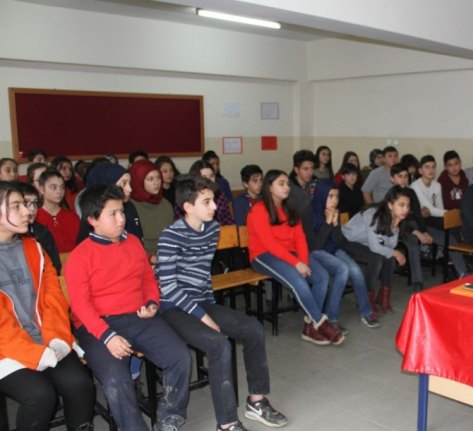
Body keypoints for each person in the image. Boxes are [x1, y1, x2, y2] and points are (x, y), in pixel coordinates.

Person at [157, 176, 288, 431]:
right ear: (188, 207)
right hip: (173, 308)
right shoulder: (170, 236)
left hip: (201, 302)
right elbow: (169, 287)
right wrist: (204, 317)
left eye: (213, 200)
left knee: (252, 328)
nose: (215, 206)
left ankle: (256, 402)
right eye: (206, 202)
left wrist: (211, 309)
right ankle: (227, 423)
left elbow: (203, 272)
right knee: (219, 344)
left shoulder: (212, 229)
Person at [64, 184, 191, 431]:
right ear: (92, 220)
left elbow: (147, 279)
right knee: (117, 380)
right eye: (112, 214)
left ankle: (170, 416)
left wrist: (152, 302)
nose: (121, 219)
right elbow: (80, 306)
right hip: (98, 326)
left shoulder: (132, 242)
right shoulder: (80, 257)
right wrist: (107, 336)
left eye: (121, 211)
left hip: (138, 317)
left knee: (179, 356)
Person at [0, 182, 96, 431]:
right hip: (5, 349)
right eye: (16, 206)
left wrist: (56, 338)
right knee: (40, 395)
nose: (27, 211)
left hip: (43, 338)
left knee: (80, 384)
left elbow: (53, 299)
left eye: (26, 204)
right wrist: (35, 354)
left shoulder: (34, 248)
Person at [247, 170, 344, 346]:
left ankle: (310, 327)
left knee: (321, 276)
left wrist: (304, 261)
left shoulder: (291, 208)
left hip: (290, 254)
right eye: (281, 184)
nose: (286, 187)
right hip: (263, 255)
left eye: (287, 184)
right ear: (269, 187)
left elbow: (300, 238)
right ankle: (321, 323)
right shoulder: (258, 210)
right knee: (298, 281)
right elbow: (270, 244)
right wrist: (296, 263)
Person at [309, 181, 379, 330]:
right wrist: (327, 223)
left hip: (333, 249)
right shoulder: (310, 213)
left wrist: (335, 225)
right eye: (330, 196)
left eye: (337, 196)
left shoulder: (335, 211)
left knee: (356, 271)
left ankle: (366, 311)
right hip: (315, 253)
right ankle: (332, 318)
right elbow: (316, 246)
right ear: (321, 195)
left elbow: (339, 241)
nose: (334, 200)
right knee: (343, 270)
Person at [341, 186, 410, 313]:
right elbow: (375, 247)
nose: (405, 209)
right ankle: (366, 300)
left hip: (364, 243)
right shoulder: (374, 214)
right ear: (390, 205)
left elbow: (390, 246)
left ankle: (383, 297)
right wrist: (396, 253)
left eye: (407, 206)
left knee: (389, 257)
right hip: (347, 241)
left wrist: (394, 227)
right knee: (376, 257)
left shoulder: (395, 218)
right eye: (401, 205)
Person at [410, 155, 469, 278]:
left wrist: (448, 215)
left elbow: (439, 208)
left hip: (433, 220)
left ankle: (459, 268)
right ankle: (461, 269)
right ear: (420, 170)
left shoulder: (437, 185)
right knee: (452, 234)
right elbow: (431, 209)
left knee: (455, 231)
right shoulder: (415, 186)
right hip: (419, 223)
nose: (431, 170)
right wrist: (451, 214)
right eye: (427, 167)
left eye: (433, 167)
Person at [389, 163, 433, 292]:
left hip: (413, 224)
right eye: (400, 176)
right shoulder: (392, 195)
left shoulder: (411, 192)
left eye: (406, 176)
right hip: (399, 227)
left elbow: (418, 213)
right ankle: (417, 281)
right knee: (413, 245)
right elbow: (398, 221)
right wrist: (417, 233)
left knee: (437, 236)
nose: (403, 179)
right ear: (392, 178)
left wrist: (424, 231)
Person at [76, 162, 142, 244]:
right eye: (123, 183)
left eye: (130, 183)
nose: (130, 189)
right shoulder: (93, 215)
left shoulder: (129, 207)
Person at [129, 159, 174, 259]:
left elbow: (171, 238)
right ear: (139, 181)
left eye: (158, 178)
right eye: (150, 179)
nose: (156, 183)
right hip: (138, 258)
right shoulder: (129, 207)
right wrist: (150, 257)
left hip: (165, 256)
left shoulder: (166, 205)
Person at [16, 182, 62, 274]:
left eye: (35, 203)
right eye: (26, 203)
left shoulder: (42, 232)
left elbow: (55, 267)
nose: (33, 209)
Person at [36, 168, 80, 253]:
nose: (59, 191)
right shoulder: (35, 217)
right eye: (53, 187)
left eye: (62, 187)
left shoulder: (72, 216)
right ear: (41, 189)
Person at [188, 160, 234, 226]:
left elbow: (227, 221)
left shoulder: (220, 196)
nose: (209, 180)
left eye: (211, 176)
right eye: (204, 177)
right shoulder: (187, 198)